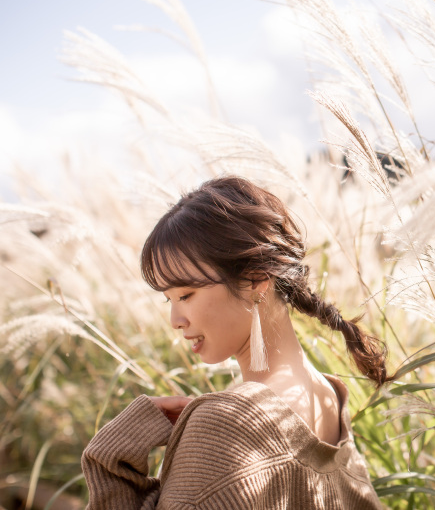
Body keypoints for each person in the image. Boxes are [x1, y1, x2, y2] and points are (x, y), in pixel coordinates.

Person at [81, 176, 392, 509]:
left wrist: (110, 457)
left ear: (257, 279)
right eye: (168, 300)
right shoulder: (330, 397)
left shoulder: (226, 424)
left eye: (186, 294)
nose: (175, 320)